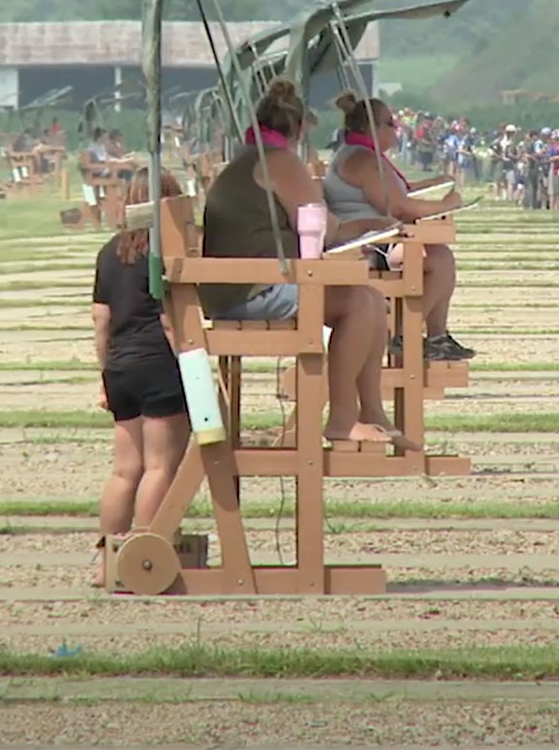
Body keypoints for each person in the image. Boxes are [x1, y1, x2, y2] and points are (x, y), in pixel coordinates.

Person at [200, 79, 401, 445]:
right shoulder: (280, 162)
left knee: (370, 298)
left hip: (234, 286)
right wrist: (374, 224)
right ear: (297, 129)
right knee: (358, 302)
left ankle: (371, 411)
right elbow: (327, 229)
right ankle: (342, 418)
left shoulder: (248, 158)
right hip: (249, 290)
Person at [91, 170, 193, 587]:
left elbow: (101, 320)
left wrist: (104, 373)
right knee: (159, 467)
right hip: (158, 363)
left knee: (124, 471)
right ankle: (142, 556)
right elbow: (172, 321)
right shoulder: (166, 254)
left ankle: (105, 561)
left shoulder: (108, 252)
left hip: (119, 365)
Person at [324, 90, 473, 361]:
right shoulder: (365, 161)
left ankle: (434, 336)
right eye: (390, 123)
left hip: (368, 240)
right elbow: (399, 207)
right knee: (438, 260)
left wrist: (433, 185)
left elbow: (397, 193)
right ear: (371, 128)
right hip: (365, 246)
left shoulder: (358, 154)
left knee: (439, 256)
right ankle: (406, 333)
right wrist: (446, 204)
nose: (396, 129)